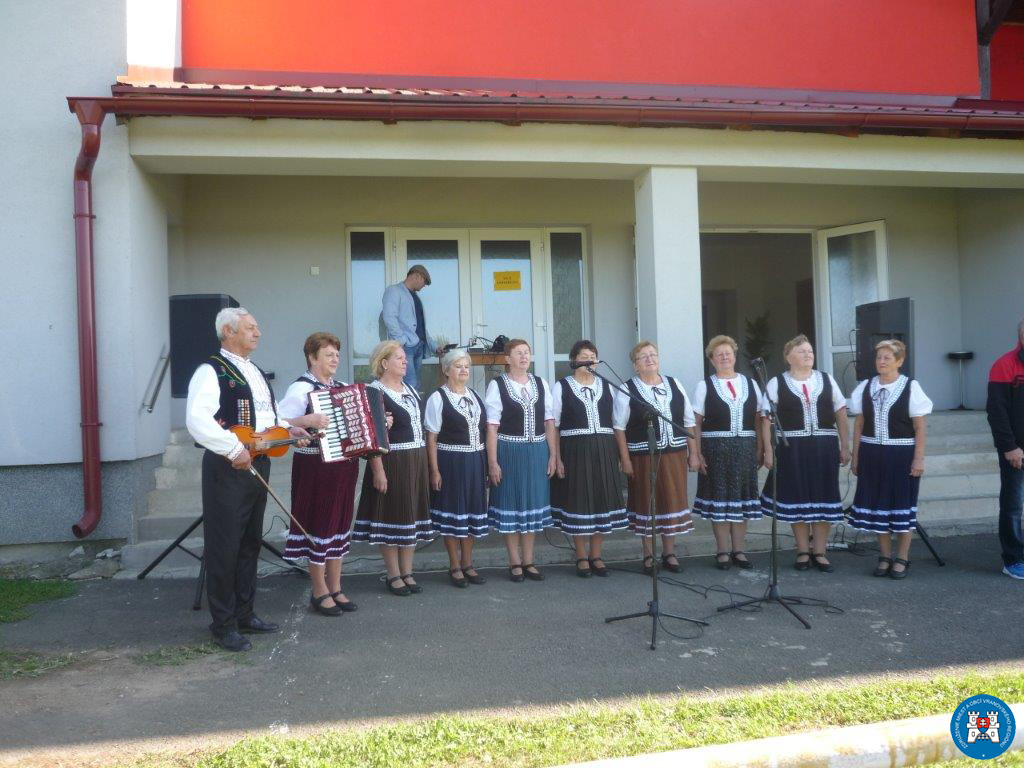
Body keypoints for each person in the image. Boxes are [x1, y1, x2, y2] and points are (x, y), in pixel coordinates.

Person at [185, 308, 308, 651]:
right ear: (228, 331)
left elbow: (268, 415)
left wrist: (290, 429)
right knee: (225, 545)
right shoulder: (211, 370)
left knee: (250, 541)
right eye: (251, 328)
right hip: (228, 466)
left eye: (257, 327)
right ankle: (223, 624)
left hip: (258, 461)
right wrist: (231, 447)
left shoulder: (254, 370)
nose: (258, 333)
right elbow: (197, 419)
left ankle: (244, 613)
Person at [277, 332, 360, 615]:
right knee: (319, 525)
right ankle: (319, 589)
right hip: (314, 468)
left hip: (344, 467)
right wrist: (306, 420)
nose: (335, 359)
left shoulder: (343, 387)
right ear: (312, 358)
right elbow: (278, 423)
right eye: (328, 354)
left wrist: (379, 421)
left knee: (339, 525)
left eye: (337, 354)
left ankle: (336, 586)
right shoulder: (300, 388)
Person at [760, 334, 850, 572]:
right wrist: (768, 450)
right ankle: (802, 550)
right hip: (793, 449)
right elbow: (766, 419)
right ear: (789, 357)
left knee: (823, 497)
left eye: (810, 351)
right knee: (797, 499)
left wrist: (845, 445)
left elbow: (841, 413)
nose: (808, 354)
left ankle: (819, 551)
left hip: (824, 447)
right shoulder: (777, 383)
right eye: (802, 351)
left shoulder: (826, 379)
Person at [351, 341, 435, 595]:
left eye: (404, 357)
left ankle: (407, 572)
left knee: (410, 517)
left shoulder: (410, 389)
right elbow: (371, 436)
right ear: (384, 363)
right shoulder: (374, 392)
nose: (405, 361)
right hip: (392, 461)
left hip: (415, 459)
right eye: (399, 357)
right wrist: (378, 470)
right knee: (391, 517)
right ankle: (393, 574)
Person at [847, 340, 932, 579]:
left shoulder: (910, 387)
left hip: (901, 455)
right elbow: (859, 425)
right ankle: (884, 556)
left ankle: (902, 557)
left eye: (887, 358)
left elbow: (920, 427)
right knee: (878, 507)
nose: (881, 362)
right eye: (879, 357)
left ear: (900, 361)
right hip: (872, 454)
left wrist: (918, 459)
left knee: (902, 506)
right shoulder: (866, 387)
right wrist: (856, 457)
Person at [613, 341, 696, 575]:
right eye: (643, 356)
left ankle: (669, 553)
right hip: (643, 456)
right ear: (635, 365)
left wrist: (694, 453)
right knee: (647, 503)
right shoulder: (628, 388)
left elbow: (688, 421)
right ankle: (649, 555)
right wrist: (625, 459)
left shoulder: (674, 383)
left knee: (671, 501)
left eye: (653, 355)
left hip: (674, 453)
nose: (650, 359)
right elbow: (619, 427)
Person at [551, 340, 628, 577]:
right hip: (575, 450)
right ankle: (581, 555)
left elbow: (617, 424)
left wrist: (619, 455)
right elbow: (554, 425)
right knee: (579, 502)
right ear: (574, 360)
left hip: (604, 449)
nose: (589, 360)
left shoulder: (608, 386)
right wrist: (557, 457)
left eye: (593, 356)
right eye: (584, 356)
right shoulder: (562, 386)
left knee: (601, 500)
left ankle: (596, 554)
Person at [689, 335, 765, 570]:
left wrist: (761, 448)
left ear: (734, 356)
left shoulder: (751, 384)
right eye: (719, 354)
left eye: (728, 353)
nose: (724, 357)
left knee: (741, 502)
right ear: (712, 360)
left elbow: (759, 418)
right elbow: (695, 422)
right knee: (720, 503)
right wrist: (696, 452)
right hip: (715, 451)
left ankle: (739, 550)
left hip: (745, 449)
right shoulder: (705, 386)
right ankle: (722, 550)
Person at [485, 339, 557, 582]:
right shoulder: (497, 385)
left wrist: (553, 455)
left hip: (537, 452)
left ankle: (529, 560)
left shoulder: (541, 383)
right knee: (512, 505)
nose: (524, 356)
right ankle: (514, 561)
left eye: (527, 352)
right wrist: (492, 462)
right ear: (507, 358)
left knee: (531, 506)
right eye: (519, 353)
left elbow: (549, 423)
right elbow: (492, 427)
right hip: (509, 452)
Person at [425, 348, 490, 588]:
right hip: (451, 462)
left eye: (466, 366)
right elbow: (431, 437)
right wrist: (434, 470)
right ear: (446, 370)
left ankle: (468, 563)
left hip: (475, 462)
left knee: (471, 513)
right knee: (453, 514)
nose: (464, 370)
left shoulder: (475, 396)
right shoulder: (437, 398)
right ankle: (454, 565)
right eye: (458, 366)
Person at [986, 318, 1024, 580]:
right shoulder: (1004, 364)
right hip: (1016, 451)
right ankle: (1013, 560)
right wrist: (1009, 447)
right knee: (1012, 506)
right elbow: (996, 412)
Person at [381, 264, 434, 391]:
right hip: (405, 347)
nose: (424, 286)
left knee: (415, 385)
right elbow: (389, 317)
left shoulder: (415, 297)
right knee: (410, 383)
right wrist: (401, 341)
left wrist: (434, 346)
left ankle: (412, 404)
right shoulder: (394, 291)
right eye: (424, 282)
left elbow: (421, 327)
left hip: (418, 346)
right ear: (417, 276)